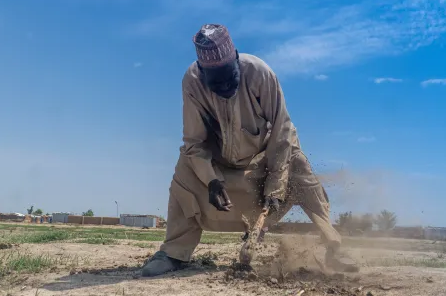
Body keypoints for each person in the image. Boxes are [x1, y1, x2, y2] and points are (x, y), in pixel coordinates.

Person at [141, 23, 358, 277]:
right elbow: (194, 143)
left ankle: (334, 247)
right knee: (184, 170)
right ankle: (174, 252)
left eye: (228, 76)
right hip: (221, 160)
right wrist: (211, 180)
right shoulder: (192, 82)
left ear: (236, 59)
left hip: (264, 159)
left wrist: (276, 186)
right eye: (216, 82)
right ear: (202, 72)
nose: (225, 88)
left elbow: (282, 131)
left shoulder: (260, 73)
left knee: (300, 167)